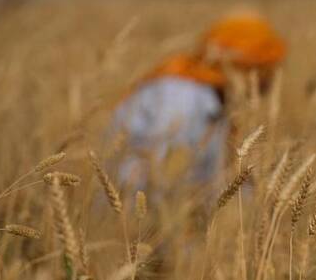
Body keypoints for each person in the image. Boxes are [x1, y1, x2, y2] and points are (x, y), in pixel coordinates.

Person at [111, 13, 286, 194]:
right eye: (266, 70)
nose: (270, 82)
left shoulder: (214, 100)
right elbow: (162, 179)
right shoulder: (181, 98)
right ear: (245, 68)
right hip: (135, 215)